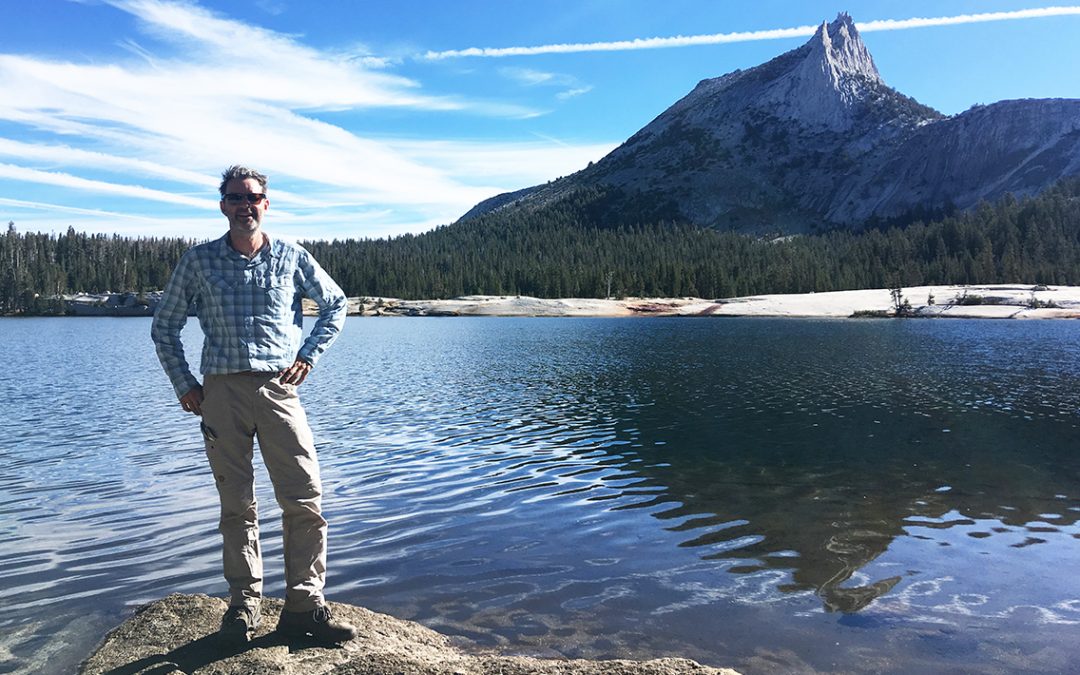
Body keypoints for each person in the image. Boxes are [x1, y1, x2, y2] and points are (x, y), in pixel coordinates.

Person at [151, 165, 356, 645]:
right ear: (222, 205)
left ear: (267, 204)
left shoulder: (290, 257)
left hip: (279, 389)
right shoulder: (198, 262)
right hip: (220, 392)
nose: (246, 205)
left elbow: (336, 303)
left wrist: (308, 356)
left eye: (254, 197)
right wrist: (185, 384)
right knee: (236, 503)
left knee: (304, 496)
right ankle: (244, 608)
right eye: (235, 198)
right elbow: (165, 326)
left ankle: (304, 607)